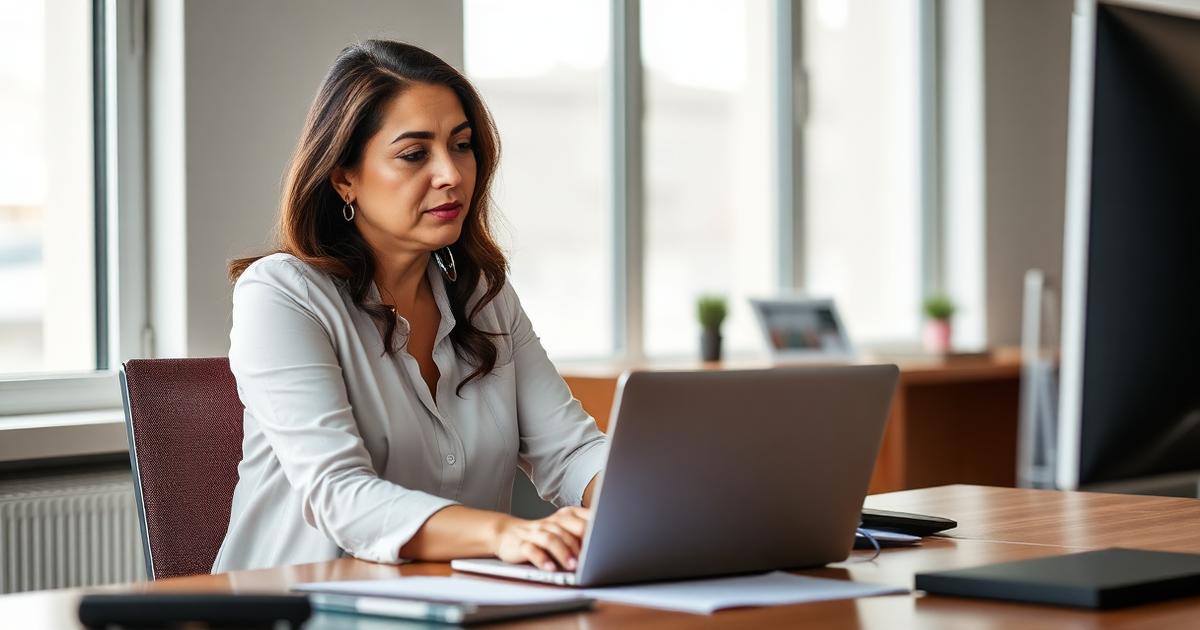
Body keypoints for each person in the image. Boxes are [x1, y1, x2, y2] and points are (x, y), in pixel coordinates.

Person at [212, 40, 608, 573]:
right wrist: (506, 534)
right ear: (344, 177)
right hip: (297, 608)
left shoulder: (484, 297)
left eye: (462, 145)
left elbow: (570, 452)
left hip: (460, 606)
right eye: (414, 154)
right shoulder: (281, 295)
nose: (451, 174)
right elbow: (339, 493)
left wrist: (649, 505)